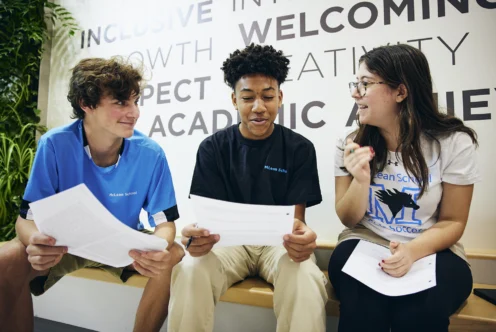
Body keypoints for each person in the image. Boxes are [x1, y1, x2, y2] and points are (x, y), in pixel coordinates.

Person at [0, 57, 184, 332]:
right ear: (86, 104)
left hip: (123, 247)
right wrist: (36, 241)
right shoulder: (54, 144)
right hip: (65, 245)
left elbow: (165, 224)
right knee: (7, 258)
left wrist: (157, 248)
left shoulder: (150, 153)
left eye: (135, 101)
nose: (133, 112)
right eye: (121, 103)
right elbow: (26, 219)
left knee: (173, 254)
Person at [167, 44, 329, 332]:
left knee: (305, 276)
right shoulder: (213, 148)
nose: (258, 107)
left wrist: (302, 237)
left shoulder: (299, 148)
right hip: (226, 245)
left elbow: (297, 221)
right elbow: (207, 219)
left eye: (268, 97)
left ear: (280, 98)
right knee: (191, 269)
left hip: (279, 245)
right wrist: (197, 237)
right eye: (248, 97)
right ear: (234, 100)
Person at [328, 44, 480, 332]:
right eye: (355, 83)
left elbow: (453, 220)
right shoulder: (350, 143)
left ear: (401, 91)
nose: (355, 92)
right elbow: (348, 219)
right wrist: (360, 180)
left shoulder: (452, 142)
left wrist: (412, 252)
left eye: (365, 83)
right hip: (366, 241)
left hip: (431, 249)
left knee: (420, 312)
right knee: (362, 307)